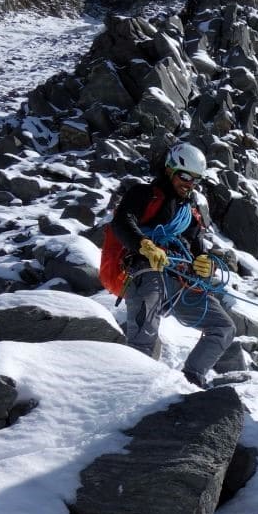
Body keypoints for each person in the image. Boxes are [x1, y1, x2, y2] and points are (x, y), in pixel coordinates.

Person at [110, 142, 235, 388]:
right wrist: (144, 244)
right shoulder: (143, 194)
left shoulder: (189, 212)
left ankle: (190, 380)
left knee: (223, 327)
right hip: (146, 269)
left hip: (180, 278)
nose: (189, 184)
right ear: (169, 170)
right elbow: (123, 221)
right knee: (144, 335)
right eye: (185, 176)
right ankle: (133, 389)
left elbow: (198, 248)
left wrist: (205, 264)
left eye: (195, 179)